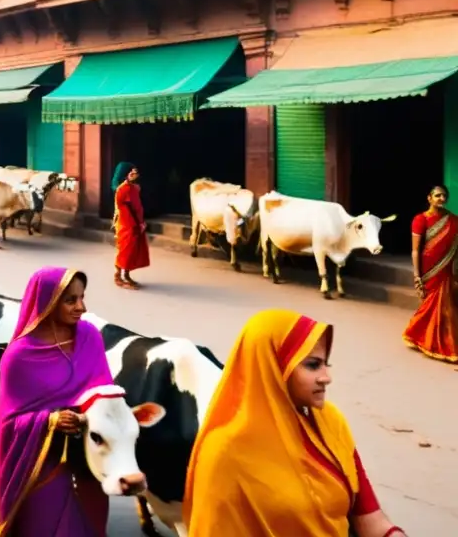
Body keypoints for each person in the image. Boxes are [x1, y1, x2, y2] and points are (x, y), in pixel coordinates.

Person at [184, 309, 408, 537]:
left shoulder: (330, 421)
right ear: (272, 366)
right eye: (312, 365)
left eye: (325, 364)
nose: (326, 377)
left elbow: (368, 514)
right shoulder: (224, 452)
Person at [0, 267, 113, 536]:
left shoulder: (90, 337)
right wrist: (50, 420)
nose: (81, 307)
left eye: (82, 297)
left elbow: (104, 391)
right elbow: (8, 425)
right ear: (47, 302)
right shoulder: (19, 357)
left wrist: (91, 417)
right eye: (70, 300)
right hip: (41, 467)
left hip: (85, 460)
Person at [404, 184, 457, 363]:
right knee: (431, 305)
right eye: (438, 196)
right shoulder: (421, 219)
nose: (442, 199)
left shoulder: (453, 220)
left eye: (444, 196)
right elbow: (415, 250)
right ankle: (423, 337)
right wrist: (417, 275)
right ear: (429, 198)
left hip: (447, 269)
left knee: (446, 307)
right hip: (428, 269)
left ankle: (439, 341)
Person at [112, 161, 149, 289]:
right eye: (132, 172)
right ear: (125, 174)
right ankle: (118, 276)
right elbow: (124, 209)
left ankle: (126, 275)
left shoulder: (134, 188)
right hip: (126, 224)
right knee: (125, 250)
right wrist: (137, 223)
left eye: (136, 173)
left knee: (133, 251)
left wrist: (141, 222)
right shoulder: (121, 190)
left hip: (137, 223)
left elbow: (137, 206)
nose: (135, 175)